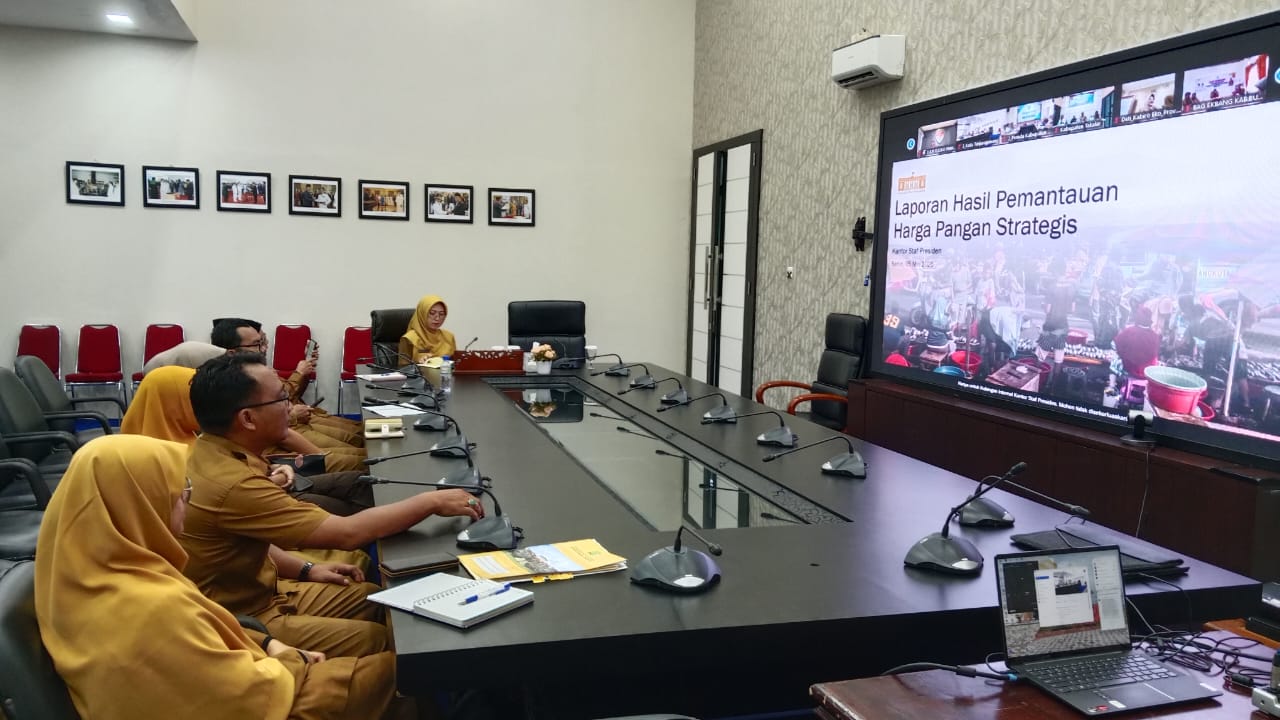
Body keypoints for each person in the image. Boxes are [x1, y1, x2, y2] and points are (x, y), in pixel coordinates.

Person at [33, 435, 396, 720]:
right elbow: (246, 697)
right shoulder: (146, 606)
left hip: (247, 671)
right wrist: (290, 659)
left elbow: (201, 635)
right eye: (178, 494)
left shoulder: (90, 570)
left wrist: (268, 644)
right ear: (139, 505)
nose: (187, 502)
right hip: (265, 699)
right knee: (402, 676)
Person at [183, 353, 483, 656]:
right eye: (281, 398)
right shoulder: (234, 483)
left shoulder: (215, 452)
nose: (289, 406)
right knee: (379, 639)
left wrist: (306, 569)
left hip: (268, 589)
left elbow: (250, 538)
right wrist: (432, 500)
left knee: (373, 598)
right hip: (243, 619)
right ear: (248, 419)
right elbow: (347, 533)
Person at [122, 366, 374, 517]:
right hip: (262, 506)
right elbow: (236, 490)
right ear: (173, 406)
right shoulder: (162, 462)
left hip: (271, 481)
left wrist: (274, 469)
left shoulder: (194, 439)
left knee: (358, 473)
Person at [210, 318, 367, 470]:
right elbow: (275, 430)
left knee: (362, 437)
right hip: (280, 449)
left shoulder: (255, 371)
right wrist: (298, 378)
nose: (264, 349)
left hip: (294, 429)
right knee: (364, 458)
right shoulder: (233, 384)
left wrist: (304, 374)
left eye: (263, 342)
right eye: (257, 344)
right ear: (231, 353)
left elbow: (291, 397)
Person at [399, 294, 457, 361]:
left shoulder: (449, 337)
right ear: (422, 313)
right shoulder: (410, 338)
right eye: (432, 313)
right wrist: (419, 360)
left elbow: (456, 362)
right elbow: (404, 365)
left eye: (441, 314)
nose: (437, 318)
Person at [1112, 305, 1161, 379]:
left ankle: (1112, 384)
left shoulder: (1129, 331)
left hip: (1131, 369)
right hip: (1148, 372)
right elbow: (1155, 353)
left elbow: (1115, 344)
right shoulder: (1155, 336)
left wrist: (1122, 354)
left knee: (1114, 360)